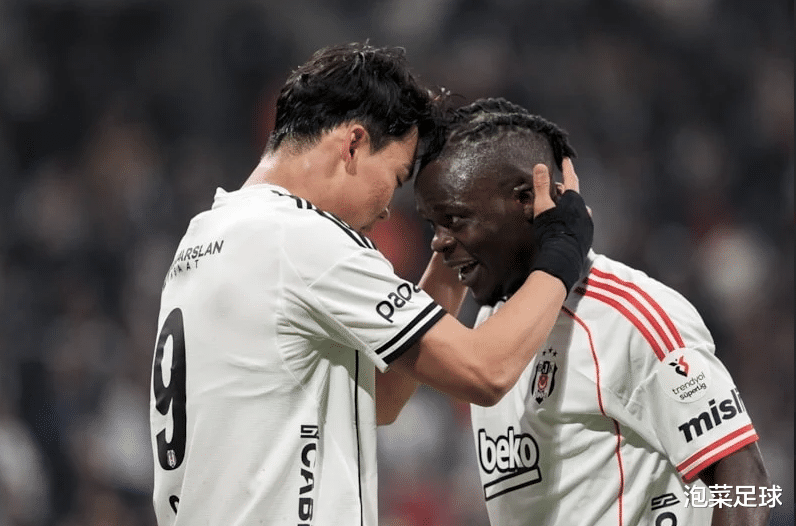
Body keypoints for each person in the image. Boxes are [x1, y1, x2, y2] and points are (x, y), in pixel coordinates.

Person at [148, 44, 593, 526]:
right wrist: (562, 247)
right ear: (354, 144)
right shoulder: (301, 237)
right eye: (397, 177)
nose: (386, 209)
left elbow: (376, 401)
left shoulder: (207, 235)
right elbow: (485, 372)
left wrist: (453, 252)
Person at [413, 97, 772, 526]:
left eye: (454, 219)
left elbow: (747, 478)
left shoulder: (629, 316)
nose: (438, 242)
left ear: (529, 198)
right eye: (432, 224)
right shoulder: (493, 328)